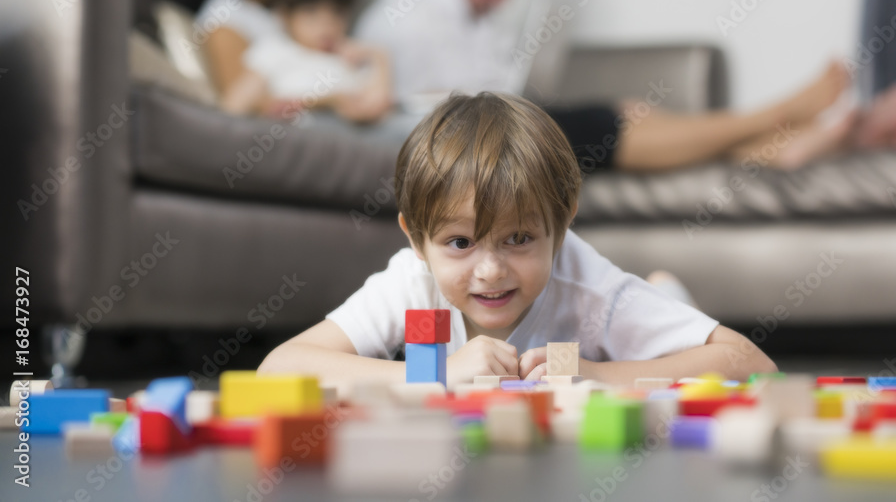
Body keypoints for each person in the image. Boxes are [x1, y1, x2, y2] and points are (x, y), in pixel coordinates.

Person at [258, 92, 778, 386]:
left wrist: (594, 372)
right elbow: (278, 367)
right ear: (416, 240)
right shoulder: (413, 281)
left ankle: (669, 297)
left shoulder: (592, 289)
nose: (490, 271)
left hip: (614, 332)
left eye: (519, 239)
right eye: (460, 243)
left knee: (660, 321)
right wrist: (438, 372)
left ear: (562, 225)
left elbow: (752, 363)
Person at [355, 0, 896, 172]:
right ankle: (784, 116)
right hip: (469, 139)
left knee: (630, 114)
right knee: (616, 120)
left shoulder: (479, 22)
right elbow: (408, 108)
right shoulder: (401, 16)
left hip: (506, 121)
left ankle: (808, 137)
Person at [239, 0, 394, 123]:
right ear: (285, 16)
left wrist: (378, 55)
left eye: (337, 12)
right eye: (311, 12)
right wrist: (329, 101)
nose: (326, 25)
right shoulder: (274, 50)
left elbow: (378, 106)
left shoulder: (350, 58)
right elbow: (238, 105)